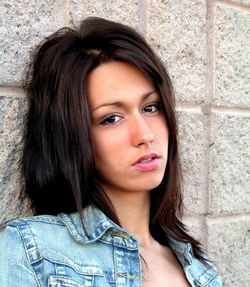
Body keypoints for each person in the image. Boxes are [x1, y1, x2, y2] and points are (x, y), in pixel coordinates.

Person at [0, 17, 223, 287]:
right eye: (111, 118)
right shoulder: (31, 251)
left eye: (150, 107)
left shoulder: (199, 269)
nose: (144, 135)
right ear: (72, 136)